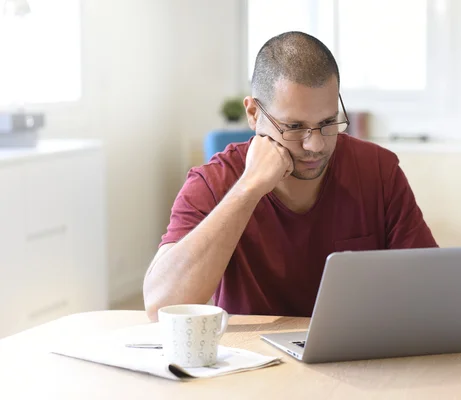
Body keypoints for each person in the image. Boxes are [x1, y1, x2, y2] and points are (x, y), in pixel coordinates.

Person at [143, 31, 437, 321]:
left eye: (327, 122)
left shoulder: (378, 170)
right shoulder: (214, 181)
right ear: (254, 114)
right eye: (294, 127)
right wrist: (248, 188)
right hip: (253, 360)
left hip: (354, 356)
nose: (316, 145)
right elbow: (160, 305)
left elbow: (432, 287)